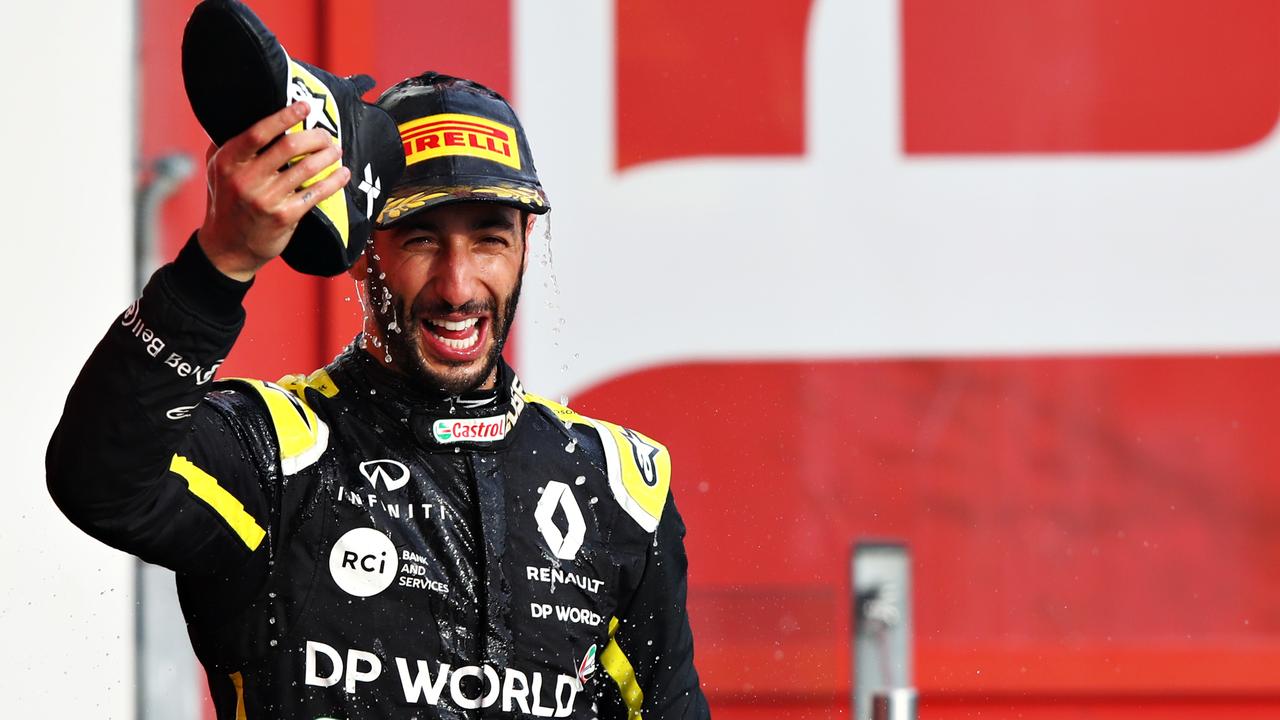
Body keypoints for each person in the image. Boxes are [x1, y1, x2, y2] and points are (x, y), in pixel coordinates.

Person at [47, 72, 710, 719]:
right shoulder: (277, 457)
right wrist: (218, 267)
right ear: (365, 250)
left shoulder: (618, 487)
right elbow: (100, 481)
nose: (458, 286)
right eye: (421, 238)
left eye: (488, 239)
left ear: (524, 247)